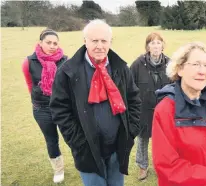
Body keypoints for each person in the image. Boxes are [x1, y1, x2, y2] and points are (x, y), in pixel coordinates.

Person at [49, 19, 141, 186]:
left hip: (117, 147)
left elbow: (135, 100)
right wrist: (78, 142)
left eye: (104, 41)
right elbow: (59, 110)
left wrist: (130, 131)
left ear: (110, 42)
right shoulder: (67, 72)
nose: (99, 46)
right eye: (94, 40)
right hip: (87, 150)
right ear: (85, 41)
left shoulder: (121, 68)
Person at [152, 42, 206, 186]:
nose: (202, 71)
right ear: (180, 69)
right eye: (196, 64)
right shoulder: (165, 110)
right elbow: (167, 166)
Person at [22, 28, 67, 183]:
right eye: (48, 42)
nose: (52, 46)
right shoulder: (29, 62)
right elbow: (30, 84)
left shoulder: (65, 61)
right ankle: (58, 169)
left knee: (72, 137)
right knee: (51, 139)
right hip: (41, 108)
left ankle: (83, 163)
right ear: (40, 43)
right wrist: (37, 100)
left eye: (55, 43)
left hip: (62, 107)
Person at [130, 32, 170, 180]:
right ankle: (142, 166)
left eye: (158, 43)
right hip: (143, 110)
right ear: (147, 46)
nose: (156, 46)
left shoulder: (170, 64)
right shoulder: (137, 64)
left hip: (164, 111)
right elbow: (129, 86)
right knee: (142, 139)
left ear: (163, 45)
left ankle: (163, 166)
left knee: (163, 141)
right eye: (152, 43)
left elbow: (175, 86)